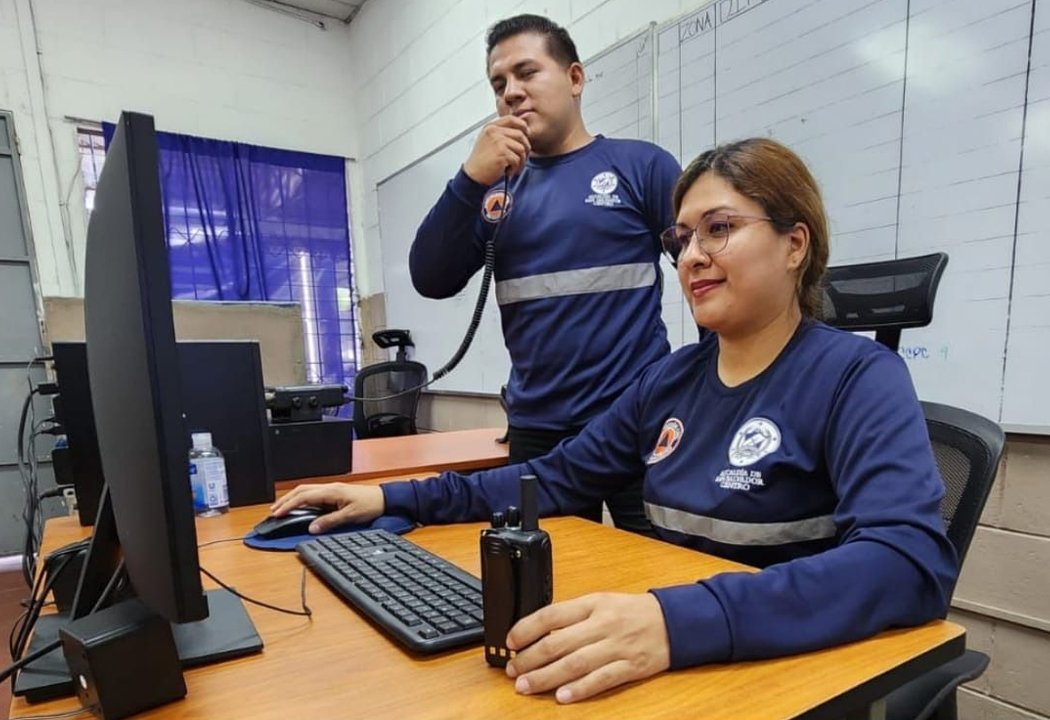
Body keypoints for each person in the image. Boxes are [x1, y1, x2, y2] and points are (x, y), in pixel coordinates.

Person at [274, 138, 958, 703]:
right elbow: (554, 478)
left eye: (719, 229)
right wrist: (395, 496)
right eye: (682, 237)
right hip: (685, 661)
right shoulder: (669, 380)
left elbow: (909, 564)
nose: (691, 255)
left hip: (783, 678)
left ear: (794, 244)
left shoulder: (859, 378)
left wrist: (675, 621)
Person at [409, 14, 682, 533]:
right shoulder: (494, 193)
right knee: (545, 583)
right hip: (538, 431)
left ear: (575, 79)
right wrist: (470, 178)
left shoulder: (642, 166)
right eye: (498, 84)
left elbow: (709, 273)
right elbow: (431, 278)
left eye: (527, 72)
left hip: (636, 424)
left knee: (659, 575)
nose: (511, 93)